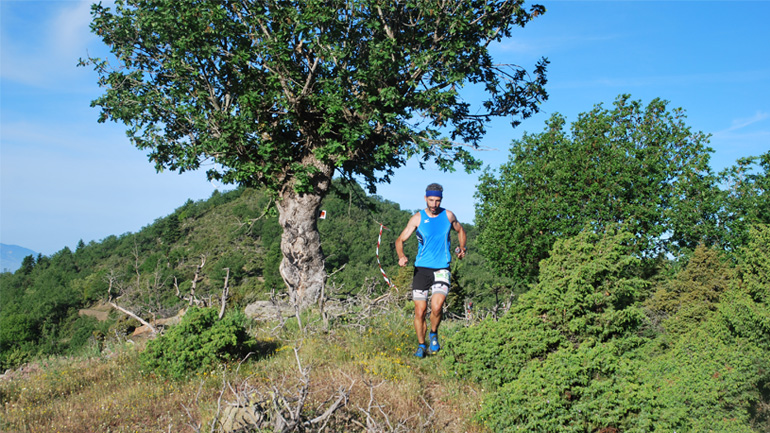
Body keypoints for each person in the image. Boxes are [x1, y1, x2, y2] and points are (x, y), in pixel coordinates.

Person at [395, 183, 467, 358]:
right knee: (420, 311)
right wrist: (401, 256)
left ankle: (433, 333)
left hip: (442, 268)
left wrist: (462, 247)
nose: (434, 204)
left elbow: (460, 230)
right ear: (425, 198)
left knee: (436, 307)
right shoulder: (417, 218)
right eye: (431, 200)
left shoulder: (448, 215)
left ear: (441, 200)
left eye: (437, 201)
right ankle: (421, 345)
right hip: (421, 269)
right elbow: (400, 240)